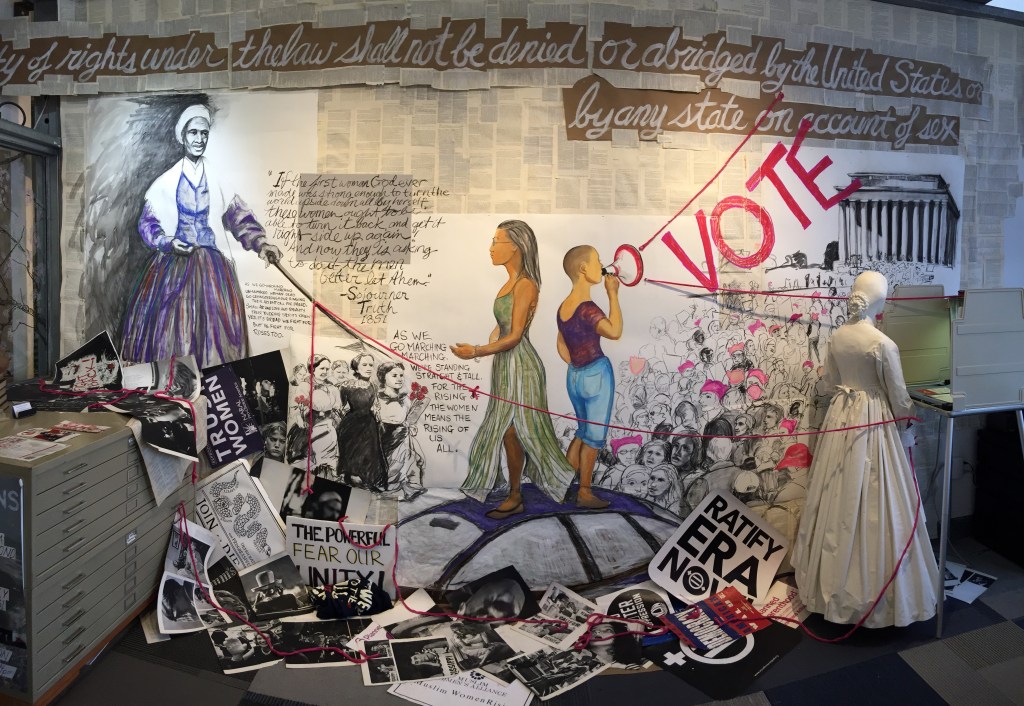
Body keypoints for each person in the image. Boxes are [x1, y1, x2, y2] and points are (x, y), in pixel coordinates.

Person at [792, 271, 938, 628]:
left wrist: (849, 394)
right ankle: (878, 595)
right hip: (873, 420)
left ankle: (827, 586)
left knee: (837, 493)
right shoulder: (883, 344)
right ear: (881, 301)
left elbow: (830, 382)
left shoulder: (838, 336)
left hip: (842, 417)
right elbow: (899, 397)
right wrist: (907, 423)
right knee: (879, 495)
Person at [121, 104, 282, 368]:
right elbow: (148, 224)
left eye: (204, 133)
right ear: (183, 137)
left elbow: (240, 218)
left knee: (217, 334)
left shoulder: (219, 179)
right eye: (193, 133)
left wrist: (261, 244)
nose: (199, 139)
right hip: (173, 267)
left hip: (212, 271)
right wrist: (167, 242)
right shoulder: (165, 182)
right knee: (172, 331)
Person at [451, 220, 576, 518]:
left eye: (497, 241)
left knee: (515, 429)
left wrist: (477, 351)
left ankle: (517, 493)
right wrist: (491, 340)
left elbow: (516, 335)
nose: (491, 248)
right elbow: (504, 327)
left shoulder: (525, 284)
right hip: (506, 364)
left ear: (516, 247)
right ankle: (513, 491)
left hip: (521, 365)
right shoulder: (510, 283)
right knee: (506, 431)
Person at [556, 244, 623, 509]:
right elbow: (614, 331)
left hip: (574, 376)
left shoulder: (564, 307)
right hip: (596, 373)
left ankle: (562, 485)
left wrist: (577, 364)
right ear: (583, 269)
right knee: (593, 437)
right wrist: (613, 294)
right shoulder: (588, 308)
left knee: (582, 431)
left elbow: (561, 345)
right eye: (598, 261)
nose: (602, 266)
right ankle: (584, 492)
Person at [375, 361, 428, 500]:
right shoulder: (377, 398)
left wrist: (411, 425)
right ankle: (391, 490)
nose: (399, 378)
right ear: (383, 377)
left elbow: (408, 416)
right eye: (394, 375)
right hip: (387, 436)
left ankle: (410, 488)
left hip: (404, 436)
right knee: (393, 465)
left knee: (413, 460)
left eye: (401, 375)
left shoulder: (405, 398)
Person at [335, 352, 387, 491]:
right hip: (351, 426)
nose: (369, 368)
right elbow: (340, 408)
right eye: (364, 365)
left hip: (369, 425)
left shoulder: (373, 386)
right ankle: (353, 479)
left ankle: (367, 481)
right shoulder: (346, 386)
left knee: (369, 454)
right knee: (353, 454)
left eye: (371, 365)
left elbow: (375, 405)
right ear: (356, 368)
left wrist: (378, 415)